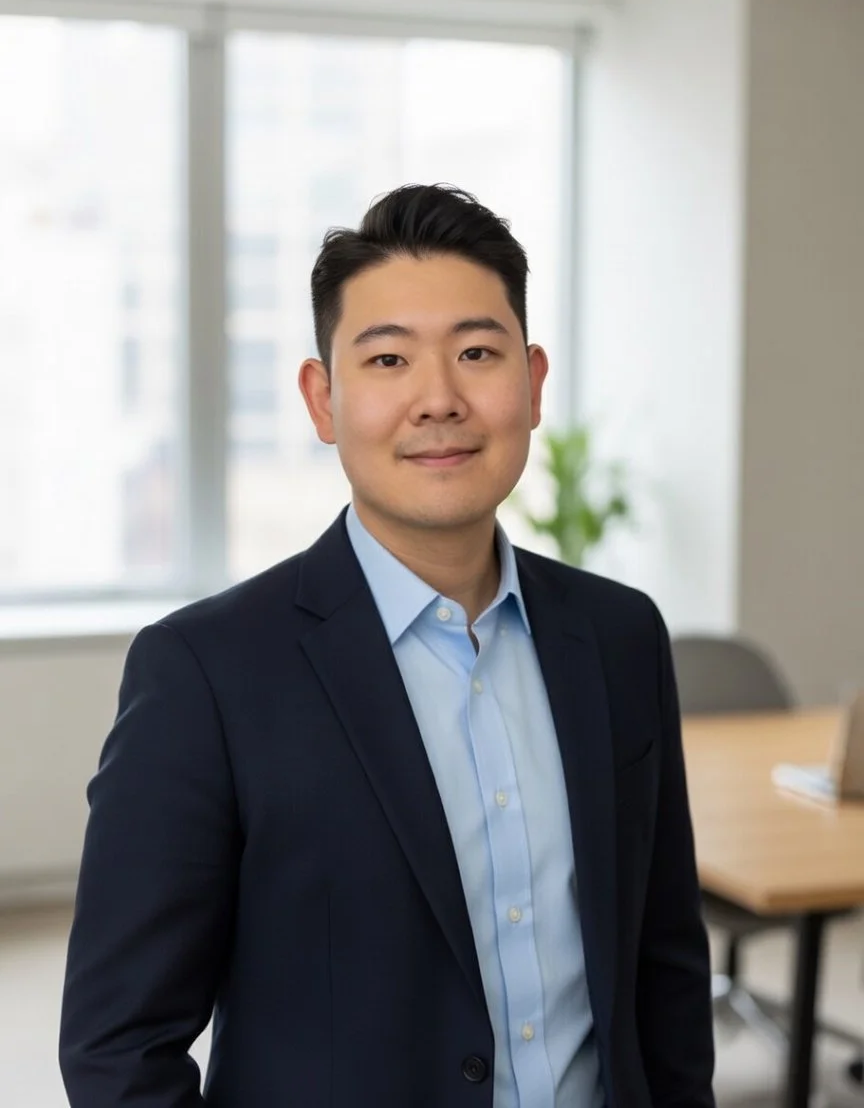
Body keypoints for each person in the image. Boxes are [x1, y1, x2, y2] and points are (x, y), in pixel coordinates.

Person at [59, 183, 715, 1108]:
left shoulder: (618, 636)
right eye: (389, 359)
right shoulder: (205, 674)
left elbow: (665, 971)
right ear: (322, 400)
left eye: (477, 354)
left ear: (531, 384)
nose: (438, 400)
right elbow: (119, 1045)